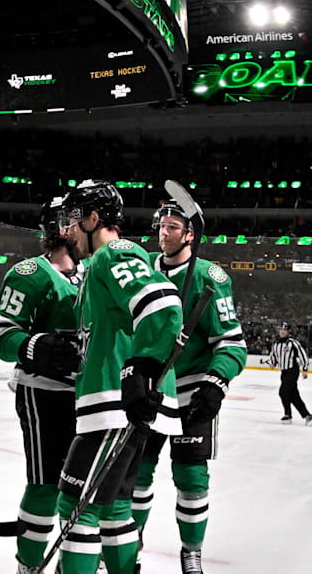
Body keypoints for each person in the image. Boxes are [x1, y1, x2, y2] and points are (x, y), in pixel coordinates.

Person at [53, 180, 183, 574]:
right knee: (115, 511)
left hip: (112, 405)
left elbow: (162, 303)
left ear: (94, 219)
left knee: (77, 508)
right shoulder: (97, 265)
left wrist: (139, 368)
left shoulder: (114, 252)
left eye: (73, 221)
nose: (66, 231)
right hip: (115, 402)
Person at [133, 203, 247, 574]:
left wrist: (216, 383)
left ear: (190, 234)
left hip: (190, 390)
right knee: (135, 474)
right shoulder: (142, 267)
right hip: (148, 388)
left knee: (191, 477)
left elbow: (231, 343)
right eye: (161, 226)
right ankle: (127, 547)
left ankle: (192, 552)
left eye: (172, 227)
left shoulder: (209, 276)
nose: (163, 233)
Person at [0, 196, 82, 574]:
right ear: (59, 227)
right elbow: (0, 332)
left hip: (90, 394)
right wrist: (34, 346)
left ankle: (76, 561)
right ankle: (28, 566)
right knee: (45, 484)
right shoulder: (30, 274)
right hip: (45, 393)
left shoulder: (96, 270)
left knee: (86, 487)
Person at [265, 324, 312, 424]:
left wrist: (305, 369)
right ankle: (307, 415)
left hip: (292, 371)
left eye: (285, 330)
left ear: (288, 332)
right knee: (293, 395)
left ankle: (288, 415)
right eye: (281, 329)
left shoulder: (293, 343)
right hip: (284, 372)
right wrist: (273, 362)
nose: (282, 331)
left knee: (283, 392)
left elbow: (302, 355)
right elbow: (273, 355)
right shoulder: (276, 343)